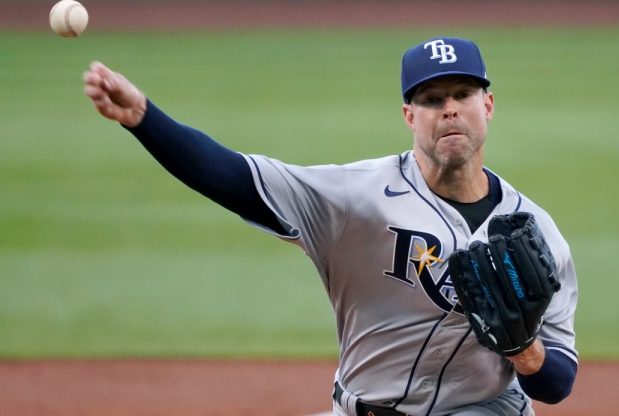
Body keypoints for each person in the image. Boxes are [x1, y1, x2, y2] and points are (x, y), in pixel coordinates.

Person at [83, 36, 578, 416]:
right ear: (409, 115)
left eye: (463, 93)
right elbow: (234, 179)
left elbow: (557, 383)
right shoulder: (356, 196)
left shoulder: (535, 231)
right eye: (431, 98)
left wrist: (524, 350)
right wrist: (144, 119)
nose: (449, 108)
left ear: (486, 106)